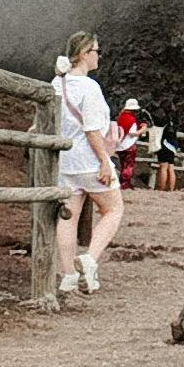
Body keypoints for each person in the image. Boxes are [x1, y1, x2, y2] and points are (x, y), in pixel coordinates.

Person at [50, 33, 123, 297]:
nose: (98, 55)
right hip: (89, 160)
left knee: (68, 217)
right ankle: (90, 260)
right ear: (84, 53)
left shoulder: (57, 83)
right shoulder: (90, 87)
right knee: (113, 209)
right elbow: (93, 131)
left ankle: (68, 275)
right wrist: (105, 161)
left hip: (64, 162)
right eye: (96, 50)